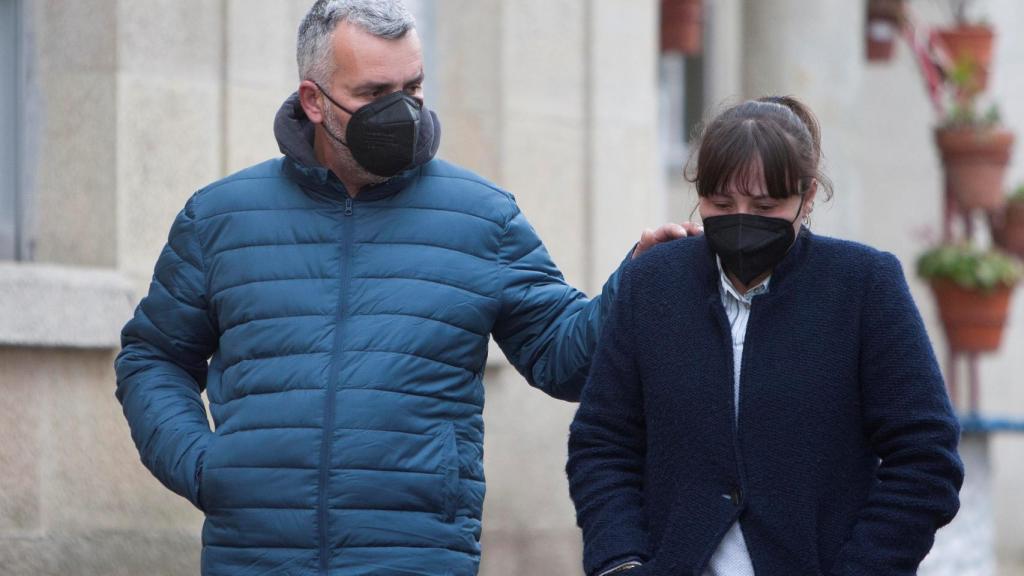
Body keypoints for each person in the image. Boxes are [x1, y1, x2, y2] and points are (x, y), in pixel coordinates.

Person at [114, 1, 696, 575]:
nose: (401, 111)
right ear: (313, 100)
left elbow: (564, 359)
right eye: (373, 95)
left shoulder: (482, 219)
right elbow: (153, 357)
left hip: (418, 555)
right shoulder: (221, 218)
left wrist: (637, 282)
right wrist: (204, 466)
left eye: (412, 88)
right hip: (254, 557)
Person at [566, 96, 964, 576]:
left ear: (809, 195)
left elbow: (925, 457)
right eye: (721, 203)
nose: (741, 220)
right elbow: (602, 443)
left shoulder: (864, 285)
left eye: (765, 206)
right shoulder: (652, 283)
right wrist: (620, 562)